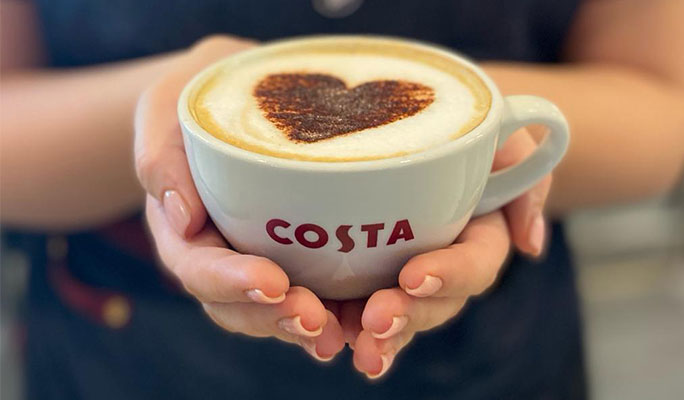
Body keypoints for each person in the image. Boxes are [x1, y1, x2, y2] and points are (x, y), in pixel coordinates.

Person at [1, 0, 682, 398]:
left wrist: (468, 138)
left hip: (499, 359)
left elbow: (662, 104)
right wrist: (173, 115)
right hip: (125, 359)